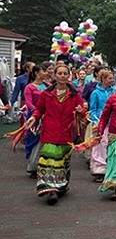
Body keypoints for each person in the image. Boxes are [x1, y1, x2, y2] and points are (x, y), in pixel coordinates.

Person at [24, 64, 86, 205]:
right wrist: (34, 118)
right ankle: (51, 189)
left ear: (69, 76)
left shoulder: (75, 94)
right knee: (50, 161)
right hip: (50, 132)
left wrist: (80, 110)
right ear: (55, 75)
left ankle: (62, 185)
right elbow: (39, 110)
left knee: (63, 162)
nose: (62, 76)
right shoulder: (46, 94)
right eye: (60, 73)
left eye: (65, 73)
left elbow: (82, 114)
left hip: (66, 134)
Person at [89, 69, 116, 182]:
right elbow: (93, 109)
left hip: (114, 123)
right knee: (100, 147)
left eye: (112, 78)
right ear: (103, 79)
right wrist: (97, 122)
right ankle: (99, 171)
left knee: (112, 146)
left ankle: (111, 169)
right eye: (110, 78)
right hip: (101, 124)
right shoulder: (95, 93)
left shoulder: (114, 91)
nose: (112, 80)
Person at [23, 64, 46, 178]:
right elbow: (29, 103)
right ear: (36, 73)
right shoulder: (29, 87)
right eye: (43, 71)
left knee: (43, 142)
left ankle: (40, 166)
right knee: (34, 142)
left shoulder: (47, 86)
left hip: (46, 117)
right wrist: (37, 113)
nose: (46, 73)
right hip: (34, 118)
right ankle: (32, 167)